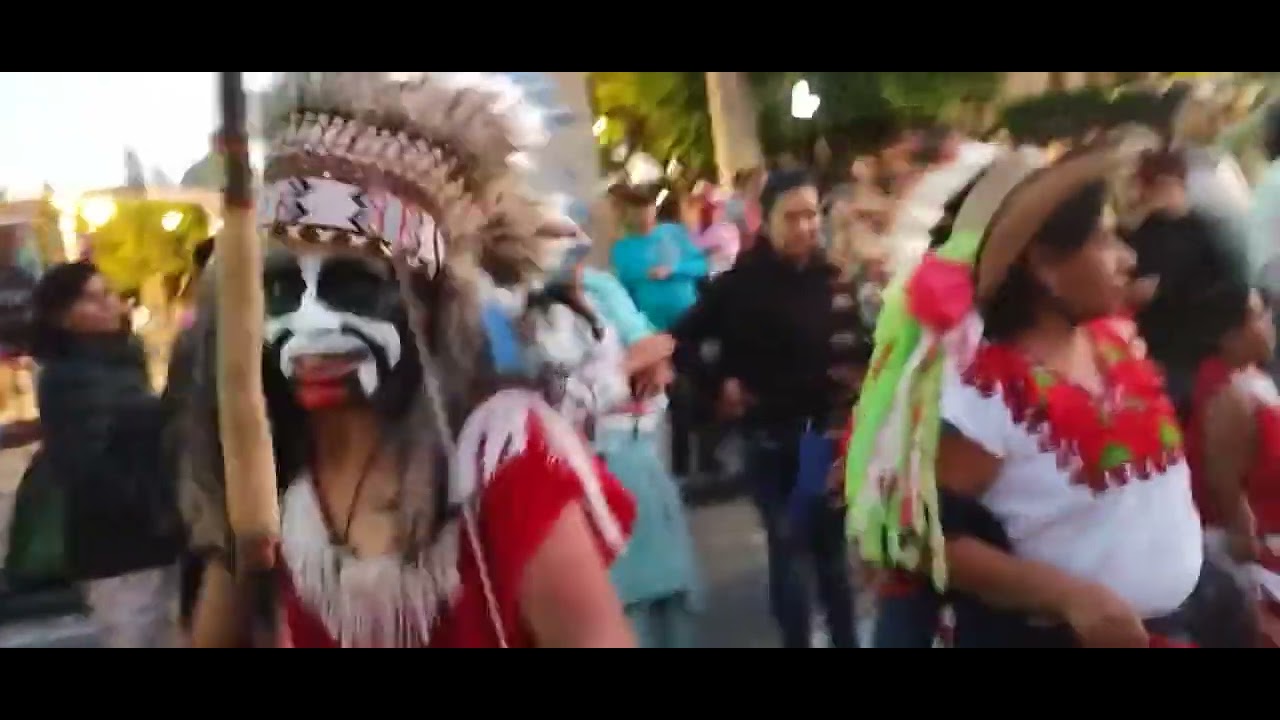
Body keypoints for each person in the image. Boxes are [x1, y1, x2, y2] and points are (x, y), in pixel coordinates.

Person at [177, 72, 637, 649]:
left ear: (429, 303)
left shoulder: (503, 461)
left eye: (353, 285)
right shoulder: (273, 474)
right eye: (280, 289)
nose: (309, 322)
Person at [846, 131, 1208, 648]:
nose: (1126, 257)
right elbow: (926, 541)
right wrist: (1069, 597)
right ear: (1044, 266)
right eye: (1103, 240)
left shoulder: (1115, 345)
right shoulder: (981, 394)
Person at [675, 169, 870, 648]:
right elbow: (681, 340)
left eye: (812, 215)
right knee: (788, 552)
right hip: (771, 438)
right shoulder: (739, 285)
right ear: (765, 218)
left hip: (827, 437)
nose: (806, 227)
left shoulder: (833, 278)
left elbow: (860, 348)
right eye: (793, 216)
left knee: (831, 558)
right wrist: (716, 386)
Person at [24, 261, 181, 647]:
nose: (110, 304)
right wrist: (155, 509)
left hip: (156, 538)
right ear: (63, 316)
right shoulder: (67, 377)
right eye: (93, 299)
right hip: (120, 550)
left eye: (109, 293)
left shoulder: (121, 361)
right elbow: (86, 467)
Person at [1184, 282, 1279, 647]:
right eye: (1257, 315)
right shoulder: (1230, 398)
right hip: (1251, 555)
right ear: (1229, 337)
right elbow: (1225, 488)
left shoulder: (1253, 378)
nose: (1269, 322)